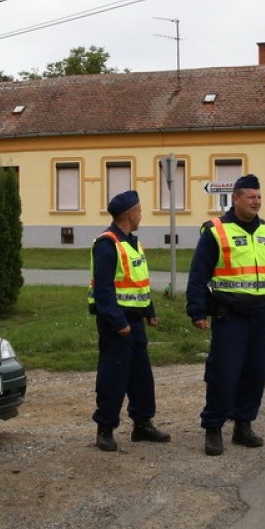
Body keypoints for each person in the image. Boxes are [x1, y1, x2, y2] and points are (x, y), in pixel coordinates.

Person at [186, 174, 265, 456]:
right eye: (251, 197)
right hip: (229, 316)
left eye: (259, 197)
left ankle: (243, 425)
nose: (257, 202)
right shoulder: (216, 231)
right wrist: (197, 309)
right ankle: (213, 428)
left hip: (261, 317)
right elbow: (198, 275)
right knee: (224, 373)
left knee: (254, 373)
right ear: (236, 199)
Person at [88, 190, 170, 452]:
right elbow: (103, 291)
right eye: (140, 211)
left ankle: (142, 424)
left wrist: (150, 311)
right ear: (131, 214)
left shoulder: (133, 243)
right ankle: (105, 429)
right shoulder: (107, 243)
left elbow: (139, 282)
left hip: (135, 321)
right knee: (113, 377)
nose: (141, 215)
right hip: (116, 324)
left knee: (141, 377)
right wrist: (117, 322)